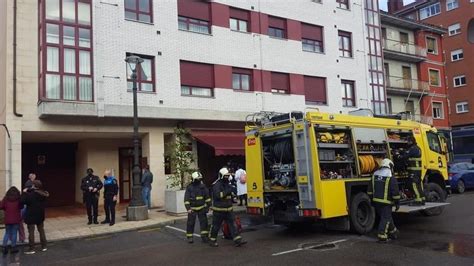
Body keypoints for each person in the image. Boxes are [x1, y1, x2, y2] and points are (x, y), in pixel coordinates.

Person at [208, 167, 247, 247]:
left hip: (228, 209)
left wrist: (233, 192)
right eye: (225, 176)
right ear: (221, 176)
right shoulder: (216, 185)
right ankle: (212, 241)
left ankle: (237, 240)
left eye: (228, 175)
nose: (227, 177)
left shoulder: (228, 184)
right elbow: (218, 195)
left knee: (233, 225)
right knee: (216, 226)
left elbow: (232, 194)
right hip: (219, 210)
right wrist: (228, 191)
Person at [368, 158, 400, 243]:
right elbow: (395, 192)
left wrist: (371, 200)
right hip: (386, 202)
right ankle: (382, 236)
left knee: (386, 216)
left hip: (376, 202)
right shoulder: (390, 176)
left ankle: (393, 231)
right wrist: (397, 203)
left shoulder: (375, 174)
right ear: (390, 166)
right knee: (385, 218)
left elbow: (370, 189)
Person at [21, 180, 49, 254]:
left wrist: (24, 193)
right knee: (41, 230)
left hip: (31, 215)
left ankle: (32, 249)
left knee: (31, 232)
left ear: (34, 186)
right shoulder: (43, 194)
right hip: (40, 214)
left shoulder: (30, 195)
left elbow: (22, 201)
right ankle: (44, 246)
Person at [184, 171, 211, 244]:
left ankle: (204, 236)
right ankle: (190, 237)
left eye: (200, 179)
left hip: (202, 208)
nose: (199, 180)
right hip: (192, 209)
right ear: (193, 179)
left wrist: (208, 206)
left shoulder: (203, 187)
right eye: (197, 179)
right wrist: (188, 208)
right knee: (190, 223)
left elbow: (207, 197)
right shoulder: (189, 187)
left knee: (204, 223)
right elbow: (186, 199)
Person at [399, 136, 425, 206]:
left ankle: (418, 200)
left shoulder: (412, 149)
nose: (407, 142)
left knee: (414, 185)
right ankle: (422, 199)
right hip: (417, 170)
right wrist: (403, 151)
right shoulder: (417, 148)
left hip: (414, 170)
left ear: (411, 141)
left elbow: (405, 156)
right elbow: (409, 153)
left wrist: (398, 155)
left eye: (408, 141)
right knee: (418, 184)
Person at [0, 187, 22, 255]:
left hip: (8, 218)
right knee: (14, 233)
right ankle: (13, 247)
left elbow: (1, 206)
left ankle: (4, 247)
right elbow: (21, 207)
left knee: (7, 233)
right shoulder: (18, 198)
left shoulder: (6, 198)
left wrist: (5, 209)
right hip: (16, 218)